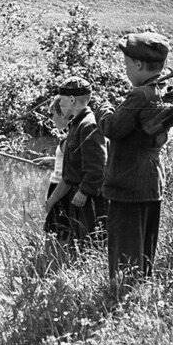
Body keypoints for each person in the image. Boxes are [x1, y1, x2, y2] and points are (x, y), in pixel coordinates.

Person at [96, 32, 173, 283]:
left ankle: (122, 294)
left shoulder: (139, 95)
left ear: (139, 65)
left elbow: (112, 128)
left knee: (124, 248)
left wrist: (103, 107)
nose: (125, 69)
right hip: (151, 181)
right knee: (144, 245)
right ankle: (140, 289)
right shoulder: (162, 91)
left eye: (127, 64)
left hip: (128, 182)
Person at [55, 76, 107, 244]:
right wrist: (52, 161)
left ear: (72, 100)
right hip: (79, 194)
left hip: (88, 198)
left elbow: (98, 165)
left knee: (89, 243)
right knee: (79, 241)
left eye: (62, 101)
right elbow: (79, 157)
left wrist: (84, 191)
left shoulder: (88, 125)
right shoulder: (77, 123)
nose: (60, 105)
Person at [34, 95, 72, 241]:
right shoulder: (70, 136)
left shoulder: (70, 139)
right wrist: (53, 161)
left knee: (56, 236)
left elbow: (71, 174)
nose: (52, 118)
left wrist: (51, 200)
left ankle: (55, 262)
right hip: (60, 189)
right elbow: (71, 162)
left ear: (63, 114)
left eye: (53, 114)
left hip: (61, 191)